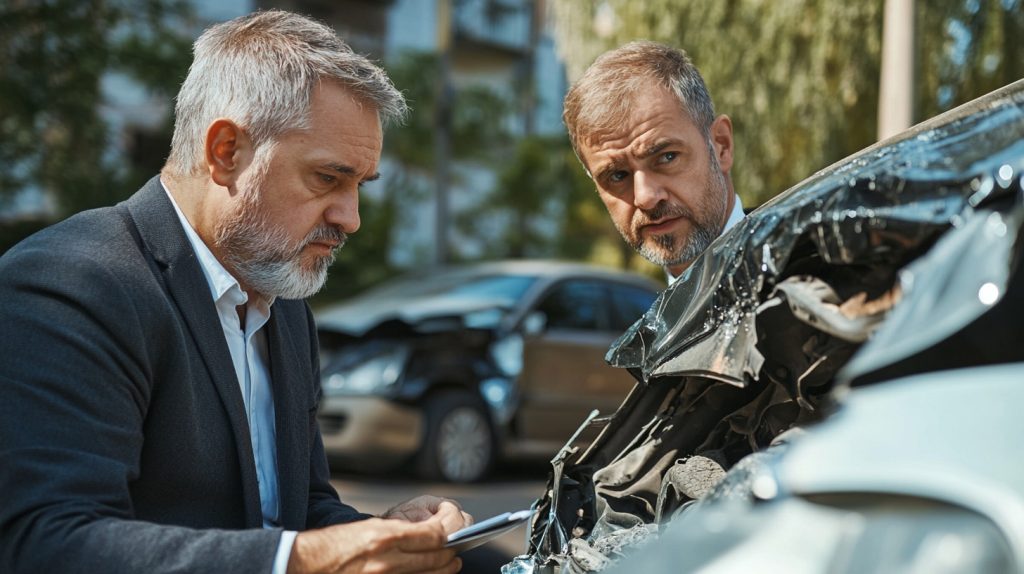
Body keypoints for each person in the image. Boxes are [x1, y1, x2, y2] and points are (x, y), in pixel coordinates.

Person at [0, 10, 471, 574]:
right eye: (328, 178)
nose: (351, 218)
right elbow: (46, 543)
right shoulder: (71, 285)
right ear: (226, 151)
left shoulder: (284, 307)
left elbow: (295, 510)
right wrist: (306, 558)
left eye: (359, 186)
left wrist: (382, 535)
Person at [562, 41, 745, 283]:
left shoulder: (805, 279)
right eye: (618, 176)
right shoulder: (647, 318)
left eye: (667, 157)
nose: (646, 197)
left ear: (721, 146)